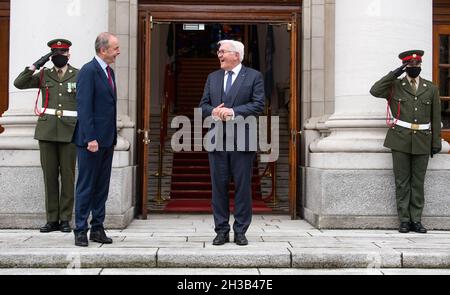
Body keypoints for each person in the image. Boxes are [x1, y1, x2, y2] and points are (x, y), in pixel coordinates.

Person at [199, 40, 265, 246]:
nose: (219, 54)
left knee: (242, 187)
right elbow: (203, 105)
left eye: (222, 51)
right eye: (218, 51)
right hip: (216, 140)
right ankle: (221, 231)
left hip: (243, 140)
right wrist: (214, 111)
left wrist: (233, 111)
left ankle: (240, 231)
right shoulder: (213, 77)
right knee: (218, 187)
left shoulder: (254, 76)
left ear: (236, 55)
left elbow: (258, 104)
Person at [370, 50, 442, 234]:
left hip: (423, 140)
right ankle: (404, 220)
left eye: (416, 66)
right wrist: (394, 74)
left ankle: (416, 220)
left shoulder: (431, 88)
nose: (414, 68)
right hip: (400, 139)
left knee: (418, 182)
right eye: (410, 66)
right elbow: (374, 90)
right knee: (402, 182)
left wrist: (436, 141)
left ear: (420, 66)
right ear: (405, 67)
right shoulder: (395, 85)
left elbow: (435, 116)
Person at [14, 39, 78, 233]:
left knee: (67, 176)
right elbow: (19, 83)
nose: (60, 56)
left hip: (70, 131)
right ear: (51, 56)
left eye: (63, 52)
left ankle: (65, 219)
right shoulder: (44, 74)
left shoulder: (79, 74)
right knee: (49, 176)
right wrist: (37, 63)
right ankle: (52, 219)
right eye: (55, 53)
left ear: (69, 54)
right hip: (47, 131)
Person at [72, 32, 120, 247]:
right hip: (91, 142)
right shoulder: (88, 71)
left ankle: (97, 228)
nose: (118, 51)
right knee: (86, 186)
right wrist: (90, 137)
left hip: (107, 140)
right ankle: (80, 229)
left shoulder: (109, 72)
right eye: (115, 48)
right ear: (103, 50)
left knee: (102, 187)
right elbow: (84, 107)